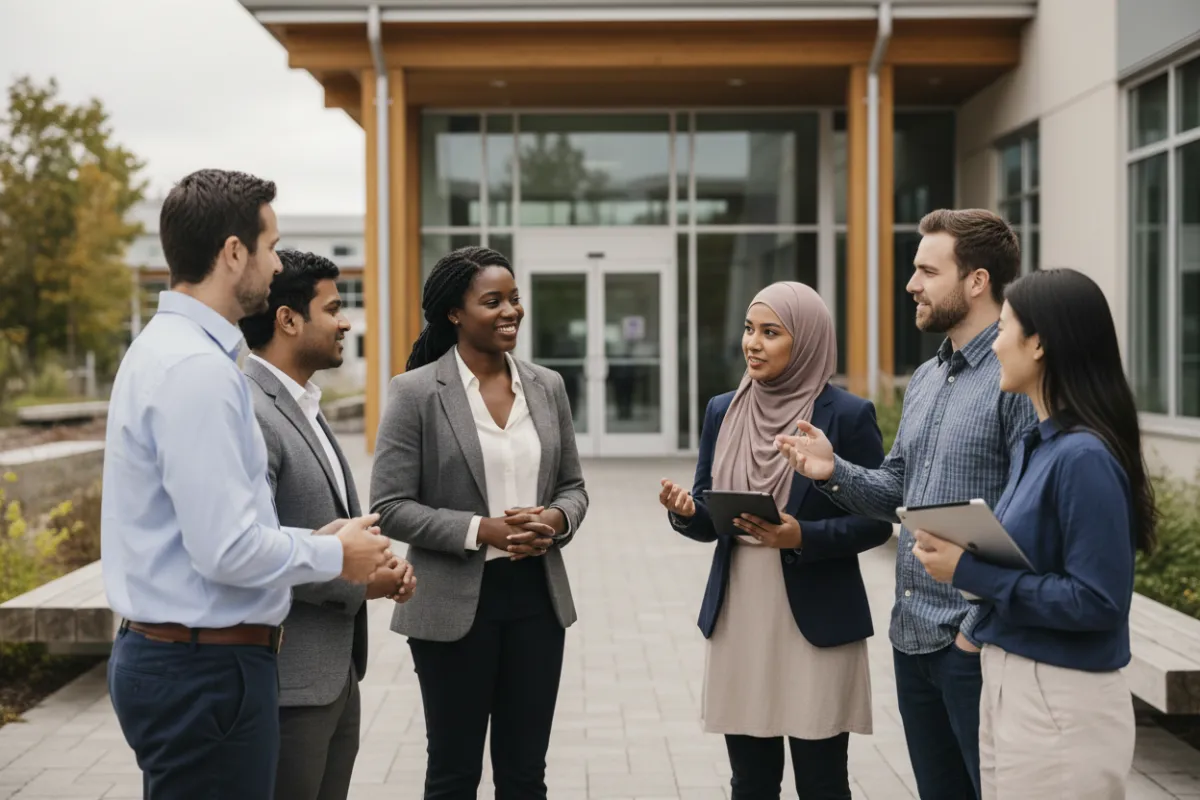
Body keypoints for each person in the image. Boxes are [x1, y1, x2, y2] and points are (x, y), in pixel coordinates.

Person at [101, 169, 392, 800]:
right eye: (271, 244)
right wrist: (335, 552)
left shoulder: (165, 349)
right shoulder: (198, 370)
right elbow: (226, 549)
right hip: (206, 670)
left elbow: (214, 530)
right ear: (235, 253)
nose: (276, 260)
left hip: (188, 662)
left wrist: (318, 539)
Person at [775, 209, 1037, 800]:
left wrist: (975, 633)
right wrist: (831, 470)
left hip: (977, 639)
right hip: (912, 636)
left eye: (926, 270)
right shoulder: (925, 376)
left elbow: (1029, 512)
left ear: (976, 281)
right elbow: (896, 491)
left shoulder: (1015, 377)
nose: (911, 284)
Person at [911, 268, 1154, 799]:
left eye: (1003, 329)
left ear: (1039, 343)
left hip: (1061, 694)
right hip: (1012, 679)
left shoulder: (1084, 457)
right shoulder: (1036, 446)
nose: (994, 345)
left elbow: (1097, 602)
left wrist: (967, 570)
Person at [369, 246, 589, 799]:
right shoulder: (415, 392)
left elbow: (574, 486)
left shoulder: (547, 386)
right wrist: (479, 529)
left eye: (514, 298)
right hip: (451, 606)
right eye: (492, 301)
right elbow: (390, 504)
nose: (510, 310)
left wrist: (557, 520)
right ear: (454, 314)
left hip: (537, 601)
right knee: (453, 771)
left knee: (524, 774)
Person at [659, 282, 893, 800]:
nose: (753, 344)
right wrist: (686, 512)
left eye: (770, 332)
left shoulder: (848, 416)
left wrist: (800, 535)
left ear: (806, 340)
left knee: (822, 781)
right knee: (751, 781)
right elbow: (708, 510)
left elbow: (877, 520)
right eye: (748, 330)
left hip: (817, 618)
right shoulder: (723, 410)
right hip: (741, 613)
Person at [239, 248, 418, 800]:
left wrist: (378, 564)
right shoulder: (253, 411)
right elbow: (253, 547)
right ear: (288, 319)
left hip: (334, 675)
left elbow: (320, 520)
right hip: (288, 682)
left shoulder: (303, 403)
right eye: (333, 308)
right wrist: (364, 580)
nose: (345, 321)